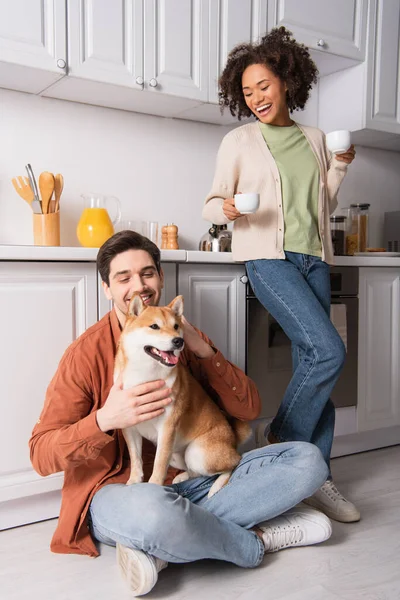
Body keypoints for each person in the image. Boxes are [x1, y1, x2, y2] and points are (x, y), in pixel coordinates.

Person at [30, 230, 332, 597]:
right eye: (123, 278)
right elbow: (41, 453)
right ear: (107, 289)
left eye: (147, 274)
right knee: (153, 513)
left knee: (309, 460)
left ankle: (163, 546)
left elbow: (249, 408)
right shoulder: (85, 354)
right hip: (121, 492)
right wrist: (105, 419)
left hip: (191, 478)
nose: (138, 286)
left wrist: (202, 348)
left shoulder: (178, 338)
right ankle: (257, 540)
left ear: (160, 278)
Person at [203, 27, 359, 524]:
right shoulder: (239, 140)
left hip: (313, 257)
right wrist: (225, 207)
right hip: (268, 258)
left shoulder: (312, 139)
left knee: (317, 369)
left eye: (264, 86)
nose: (256, 99)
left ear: (287, 81)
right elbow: (211, 200)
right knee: (329, 350)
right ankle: (282, 440)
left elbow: (321, 206)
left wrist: (338, 168)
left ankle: (315, 477)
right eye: (247, 92)